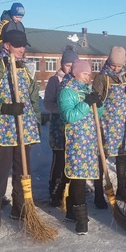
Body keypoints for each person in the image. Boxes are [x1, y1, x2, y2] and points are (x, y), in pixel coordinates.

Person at [0, 29, 41, 230]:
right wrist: (5, 107)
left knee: (23, 171)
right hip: (5, 128)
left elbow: (33, 97)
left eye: (23, 46)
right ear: (7, 45)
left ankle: (20, 209)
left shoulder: (26, 67)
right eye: (18, 45)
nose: (22, 49)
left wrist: (36, 120)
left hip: (25, 127)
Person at [59, 59, 104, 235]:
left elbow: (96, 115)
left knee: (84, 176)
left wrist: (98, 105)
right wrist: (86, 103)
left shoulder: (87, 90)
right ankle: (81, 218)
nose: (89, 76)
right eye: (85, 73)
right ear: (76, 73)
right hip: (75, 141)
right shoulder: (66, 92)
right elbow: (69, 116)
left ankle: (71, 211)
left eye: (89, 73)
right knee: (78, 178)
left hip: (89, 141)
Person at [93, 46, 126, 202]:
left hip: (122, 122)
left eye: (119, 66)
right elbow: (96, 100)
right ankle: (99, 192)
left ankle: (122, 190)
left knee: (121, 156)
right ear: (108, 62)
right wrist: (95, 99)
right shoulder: (102, 77)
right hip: (105, 122)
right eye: (113, 65)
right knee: (101, 157)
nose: (116, 69)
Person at [44, 45, 78, 207]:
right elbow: (47, 104)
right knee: (59, 159)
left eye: (73, 65)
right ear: (62, 64)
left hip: (73, 126)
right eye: (67, 65)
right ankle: (54, 191)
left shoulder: (77, 81)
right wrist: (63, 109)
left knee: (71, 158)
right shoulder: (54, 80)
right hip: (58, 126)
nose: (70, 68)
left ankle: (69, 189)